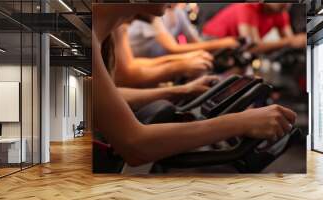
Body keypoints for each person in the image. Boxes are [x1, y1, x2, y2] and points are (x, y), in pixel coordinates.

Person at [93, 3, 297, 167]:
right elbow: (135, 145)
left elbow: (109, 96)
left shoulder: (103, 33)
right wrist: (240, 122)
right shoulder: (86, 35)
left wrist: (180, 90)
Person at [104, 24, 213, 88]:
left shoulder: (121, 23)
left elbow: (131, 63)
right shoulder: (115, 24)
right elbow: (124, 77)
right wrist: (179, 66)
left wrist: (182, 60)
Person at [128, 4, 239, 58]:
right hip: (140, 62)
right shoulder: (153, 12)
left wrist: (221, 47)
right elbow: (173, 48)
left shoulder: (179, 13)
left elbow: (197, 43)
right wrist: (220, 43)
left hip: (153, 61)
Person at [202, 3, 306, 54]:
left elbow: (292, 41)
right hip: (211, 42)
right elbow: (251, 47)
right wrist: (288, 41)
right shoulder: (249, 6)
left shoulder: (280, 12)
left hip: (233, 48)